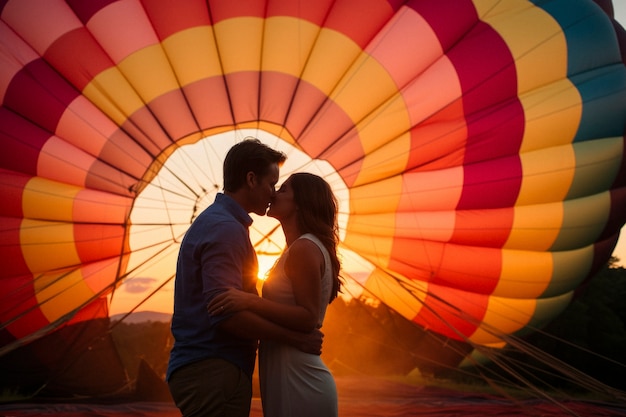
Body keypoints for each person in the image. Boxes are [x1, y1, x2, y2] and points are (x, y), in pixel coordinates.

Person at [166, 139, 324, 417]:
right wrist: (294, 339)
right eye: (271, 184)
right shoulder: (226, 229)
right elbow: (226, 315)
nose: (273, 193)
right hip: (213, 368)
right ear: (251, 179)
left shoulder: (222, 224)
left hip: (211, 368)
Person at [208, 172, 342, 417]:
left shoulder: (304, 248)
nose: (274, 193)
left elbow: (308, 317)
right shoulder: (298, 248)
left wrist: (249, 300)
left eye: (283, 189)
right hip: (289, 371)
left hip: (300, 377)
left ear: (300, 203)